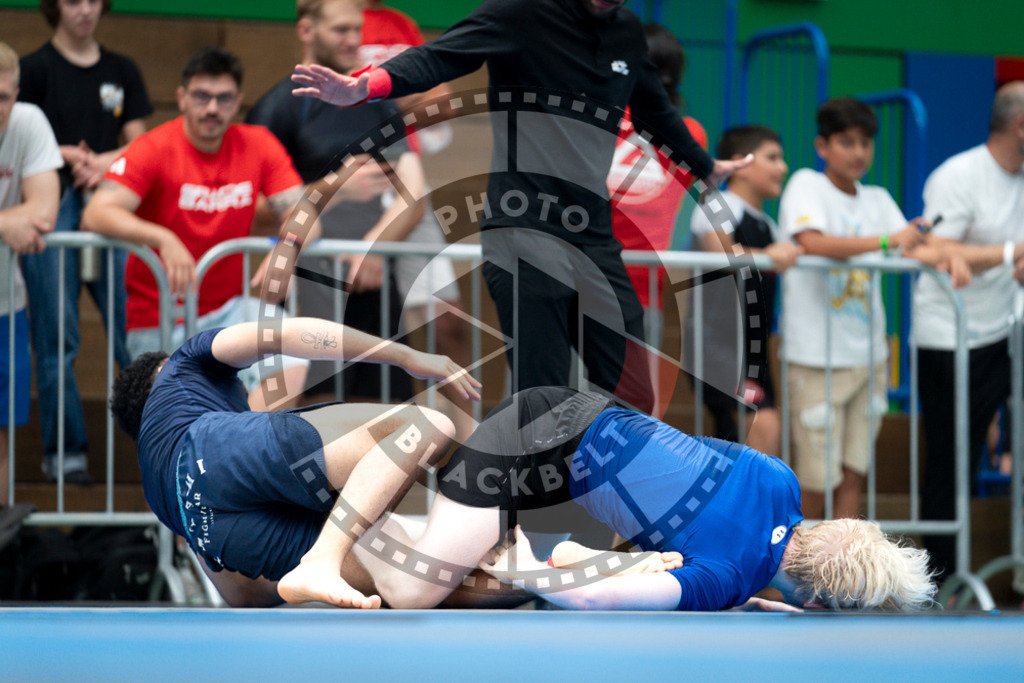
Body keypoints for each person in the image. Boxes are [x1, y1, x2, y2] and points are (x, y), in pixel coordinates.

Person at [290, 0, 753, 414]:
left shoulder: (627, 31)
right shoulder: (521, 13)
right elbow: (441, 56)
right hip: (525, 231)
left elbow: (655, 109)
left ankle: (598, 502)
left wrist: (703, 166)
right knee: (542, 398)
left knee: (634, 394)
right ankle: (523, 510)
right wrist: (365, 87)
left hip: (592, 236)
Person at [341, 386, 936, 611]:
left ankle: (379, 502)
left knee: (473, 586)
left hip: (576, 414)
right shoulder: (725, 576)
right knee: (413, 592)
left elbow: (676, 460)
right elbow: (600, 598)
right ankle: (336, 493)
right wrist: (525, 568)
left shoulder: (779, 480)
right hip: (538, 447)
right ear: (813, 601)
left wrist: (747, 598)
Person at [108, 315, 480, 608]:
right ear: (162, 369)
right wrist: (404, 356)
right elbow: (286, 336)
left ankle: (318, 565)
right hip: (216, 450)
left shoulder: (159, 488)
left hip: (219, 530)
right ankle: (325, 558)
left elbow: (242, 595)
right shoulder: (180, 367)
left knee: (409, 578)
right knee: (424, 425)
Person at [82, 47, 310, 410]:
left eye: (223, 98)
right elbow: (97, 212)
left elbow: (307, 212)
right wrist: (162, 237)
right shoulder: (155, 146)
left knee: (294, 350)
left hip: (227, 311)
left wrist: (288, 248)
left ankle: (241, 441)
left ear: (237, 103)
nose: (212, 108)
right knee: (174, 419)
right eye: (202, 96)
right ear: (182, 98)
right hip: (158, 316)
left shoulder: (258, 145)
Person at [247, 0, 423, 405]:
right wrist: (333, 187)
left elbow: (413, 195)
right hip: (308, 284)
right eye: (340, 30)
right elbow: (251, 208)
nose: (354, 41)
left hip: (372, 282)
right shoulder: (278, 108)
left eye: (357, 29)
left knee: (387, 412)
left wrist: (374, 245)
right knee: (315, 411)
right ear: (307, 31)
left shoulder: (375, 101)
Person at [18, 0, 153, 483]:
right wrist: (66, 154)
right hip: (53, 203)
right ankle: (65, 452)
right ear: (55, 6)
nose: (86, 10)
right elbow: (20, 136)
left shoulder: (122, 68)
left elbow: (140, 142)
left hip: (109, 202)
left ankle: (158, 445)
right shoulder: (33, 69)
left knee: (132, 331)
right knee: (58, 336)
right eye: (74, 0)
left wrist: (102, 162)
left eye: (94, 0)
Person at [779, 98, 928, 520]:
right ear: (822, 146)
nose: (859, 152)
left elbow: (909, 243)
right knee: (813, 481)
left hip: (869, 358)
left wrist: (946, 252)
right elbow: (812, 242)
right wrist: (886, 241)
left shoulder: (877, 198)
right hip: (814, 358)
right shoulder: (806, 184)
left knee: (853, 474)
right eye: (847, 142)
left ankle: (840, 581)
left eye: (866, 143)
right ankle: (796, 581)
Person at [908, 81, 1024, 582]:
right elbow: (926, 249)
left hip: (1006, 331)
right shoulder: (959, 175)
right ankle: (939, 579)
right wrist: (1006, 254)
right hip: (948, 337)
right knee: (949, 460)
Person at [687, 125, 801, 456]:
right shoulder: (718, 203)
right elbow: (718, 253)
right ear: (741, 164)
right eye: (772, 157)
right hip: (716, 349)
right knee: (760, 429)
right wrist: (768, 256)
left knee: (749, 445)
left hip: (753, 352)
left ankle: (732, 507)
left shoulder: (769, 225)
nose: (783, 167)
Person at [0, 42, 62, 505]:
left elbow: (42, 212)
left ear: (16, 93)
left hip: (6, 306)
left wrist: (19, 220)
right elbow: (18, 222)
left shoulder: (27, 121)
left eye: (2, 97)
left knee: (0, 439)